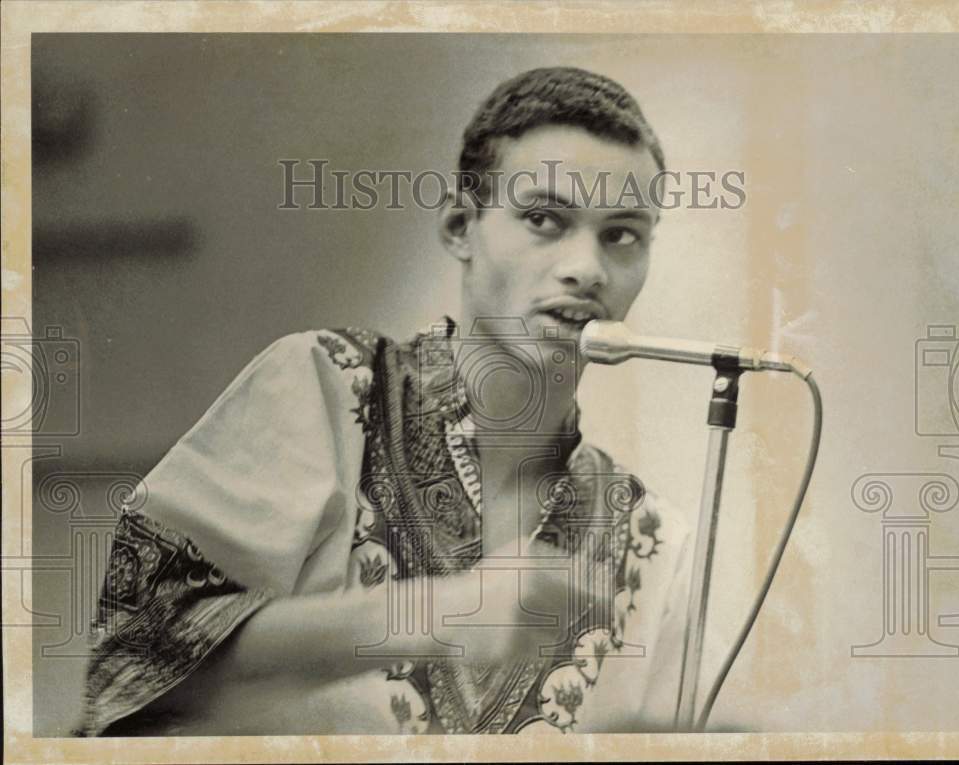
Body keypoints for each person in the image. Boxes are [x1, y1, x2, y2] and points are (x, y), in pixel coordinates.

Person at [77, 66, 692, 736]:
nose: (588, 268)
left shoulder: (654, 539)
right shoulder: (324, 384)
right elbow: (128, 661)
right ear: (461, 227)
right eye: (544, 218)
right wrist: (431, 614)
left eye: (622, 234)